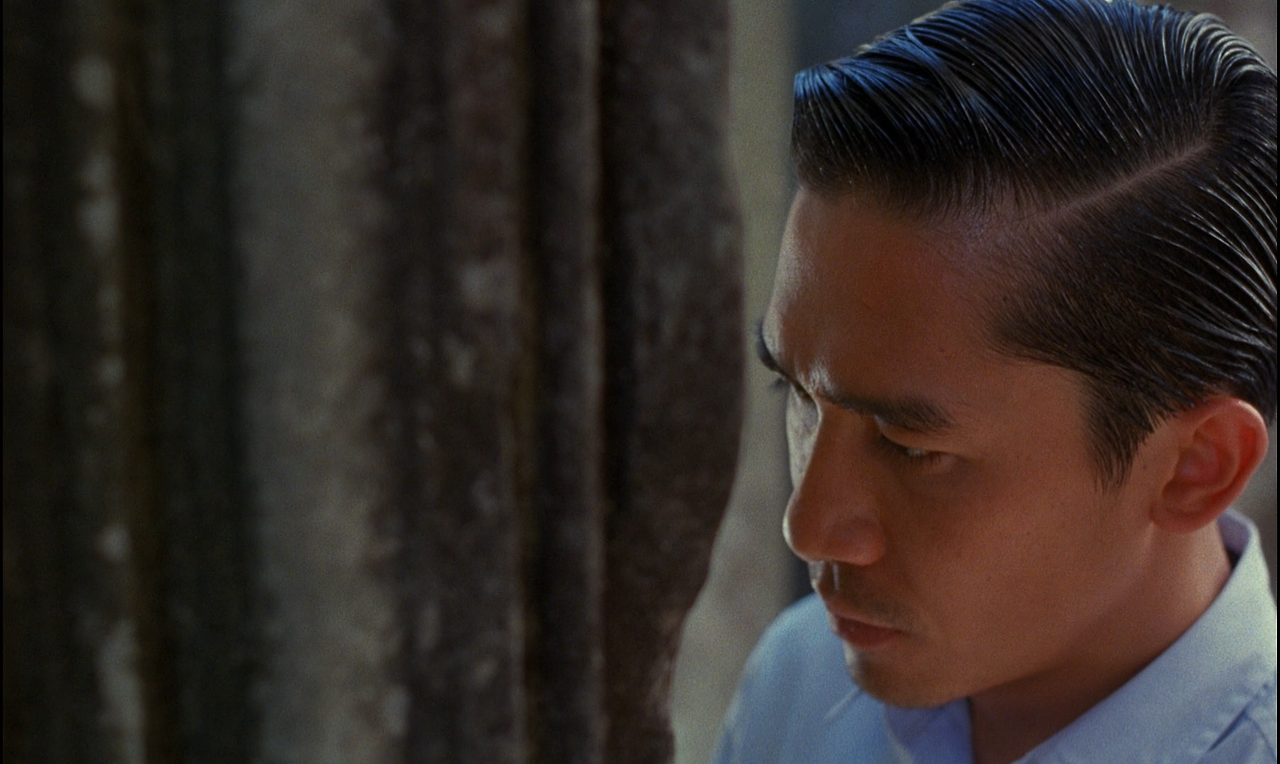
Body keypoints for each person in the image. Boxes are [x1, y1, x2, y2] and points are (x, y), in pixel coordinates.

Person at [712, 1, 1278, 762]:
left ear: (1196, 467)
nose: (808, 527)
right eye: (799, 397)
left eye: (911, 448)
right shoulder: (803, 681)